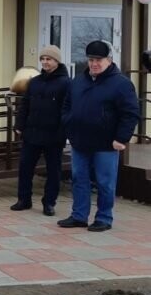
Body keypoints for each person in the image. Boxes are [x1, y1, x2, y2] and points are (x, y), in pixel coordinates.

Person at [58, 40, 140, 232]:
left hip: (106, 144)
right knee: (79, 179)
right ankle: (79, 216)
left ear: (109, 60)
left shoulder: (122, 84)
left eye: (99, 60)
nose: (94, 64)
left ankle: (104, 217)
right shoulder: (78, 81)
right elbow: (67, 105)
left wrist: (121, 138)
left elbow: (131, 113)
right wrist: (68, 123)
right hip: (79, 140)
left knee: (105, 182)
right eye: (91, 59)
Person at [11, 45, 71, 216]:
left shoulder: (66, 83)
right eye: (43, 59)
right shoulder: (35, 82)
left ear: (57, 61)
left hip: (54, 135)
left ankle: (49, 203)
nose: (45, 62)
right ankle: (24, 199)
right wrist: (19, 125)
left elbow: (67, 109)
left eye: (49, 59)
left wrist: (63, 131)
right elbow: (25, 105)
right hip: (32, 133)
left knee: (53, 170)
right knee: (25, 167)